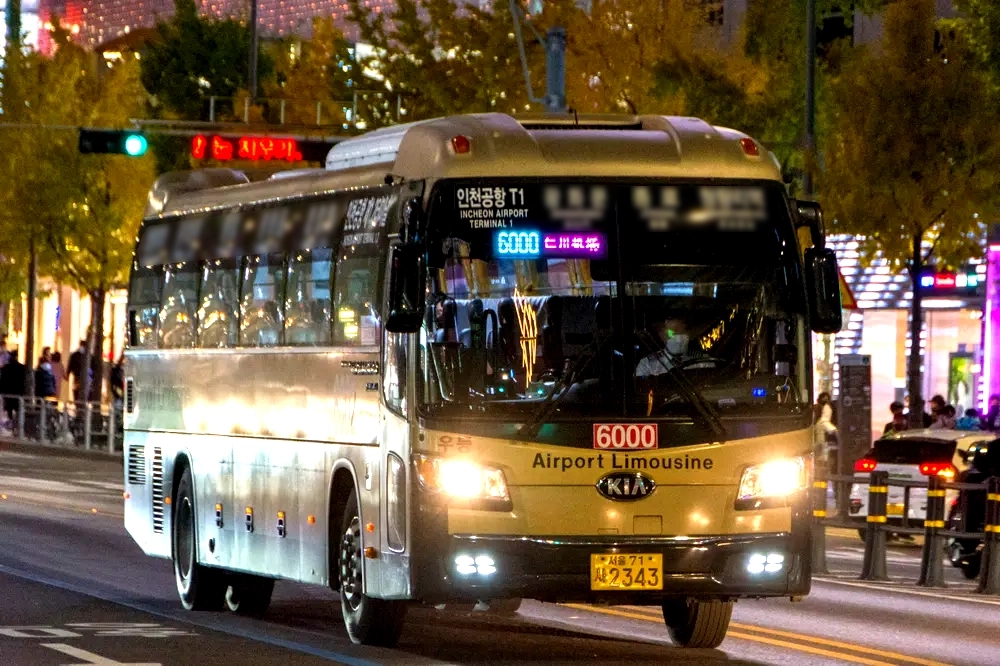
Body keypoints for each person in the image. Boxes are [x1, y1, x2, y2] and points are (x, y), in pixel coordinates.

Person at [635, 318, 707, 376]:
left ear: (690, 334)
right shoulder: (647, 364)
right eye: (671, 333)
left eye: (682, 331)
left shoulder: (702, 360)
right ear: (662, 335)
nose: (678, 337)